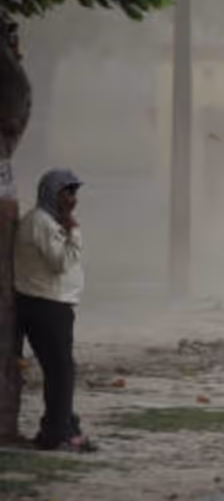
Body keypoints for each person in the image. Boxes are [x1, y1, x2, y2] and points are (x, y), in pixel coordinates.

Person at [14, 168, 95, 452]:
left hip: (54, 303)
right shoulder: (40, 221)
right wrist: (74, 229)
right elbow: (60, 262)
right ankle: (58, 434)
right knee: (61, 371)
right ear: (51, 193)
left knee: (61, 370)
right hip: (44, 304)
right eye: (67, 192)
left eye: (74, 192)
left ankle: (62, 427)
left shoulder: (50, 221)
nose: (73, 198)